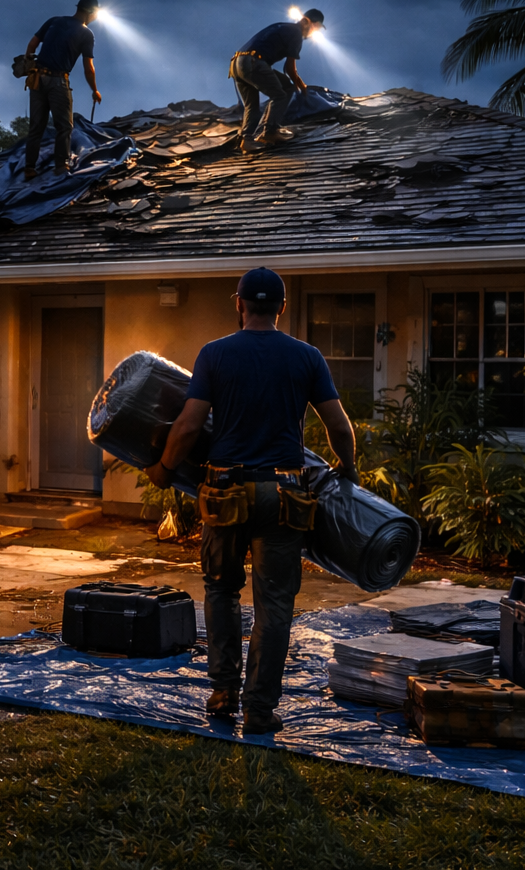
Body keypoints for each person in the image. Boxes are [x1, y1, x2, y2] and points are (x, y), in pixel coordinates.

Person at [144, 267, 358, 735]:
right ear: (281, 307)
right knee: (274, 605)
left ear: (238, 303)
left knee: (221, 590)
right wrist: (349, 471)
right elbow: (339, 427)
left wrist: (162, 470)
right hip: (283, 494)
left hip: (225, 491)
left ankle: (223, 693)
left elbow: (187, 425)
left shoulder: (216, 355)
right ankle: (259, 710)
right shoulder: (306, 357)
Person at [22, 0, 102, 181]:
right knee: (64, 126)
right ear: (91, 13)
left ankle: (29, 168)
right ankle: (60, 167)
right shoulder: (86, 34)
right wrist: (94, 90)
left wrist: (28, 63)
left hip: (37, 79)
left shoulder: (54, 21)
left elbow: (32, 44)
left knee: (36, 127)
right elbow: (88, 68)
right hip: (58, 81)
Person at [230, 8, 324, 154]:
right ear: (307, 21)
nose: (312, 33)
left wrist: (295, 83)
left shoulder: (283, 27)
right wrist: (301, 86)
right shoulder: (296, 33)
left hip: (237, 63)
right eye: (315, 28)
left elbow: (288, 71)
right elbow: (290, 68)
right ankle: (269, 131)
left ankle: (246, 141)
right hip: (253, 62)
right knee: (280, 95)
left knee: (252, 105)